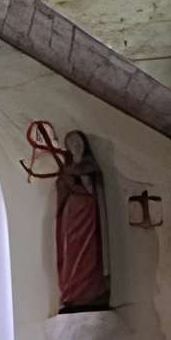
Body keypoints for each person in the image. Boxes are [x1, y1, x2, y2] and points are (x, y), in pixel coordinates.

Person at [56, 128, 109, 312]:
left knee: (89, 252)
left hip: (88, 215)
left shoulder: (91, 168)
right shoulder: (67, 170)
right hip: (70, 218)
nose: (75, 147)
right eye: (72, 145)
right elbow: (61, 194)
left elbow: (95, 192)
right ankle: (72, 293)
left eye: (78, 143)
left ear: (84, 146)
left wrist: (82, 178)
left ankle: (91, 293)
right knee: (71, 254)